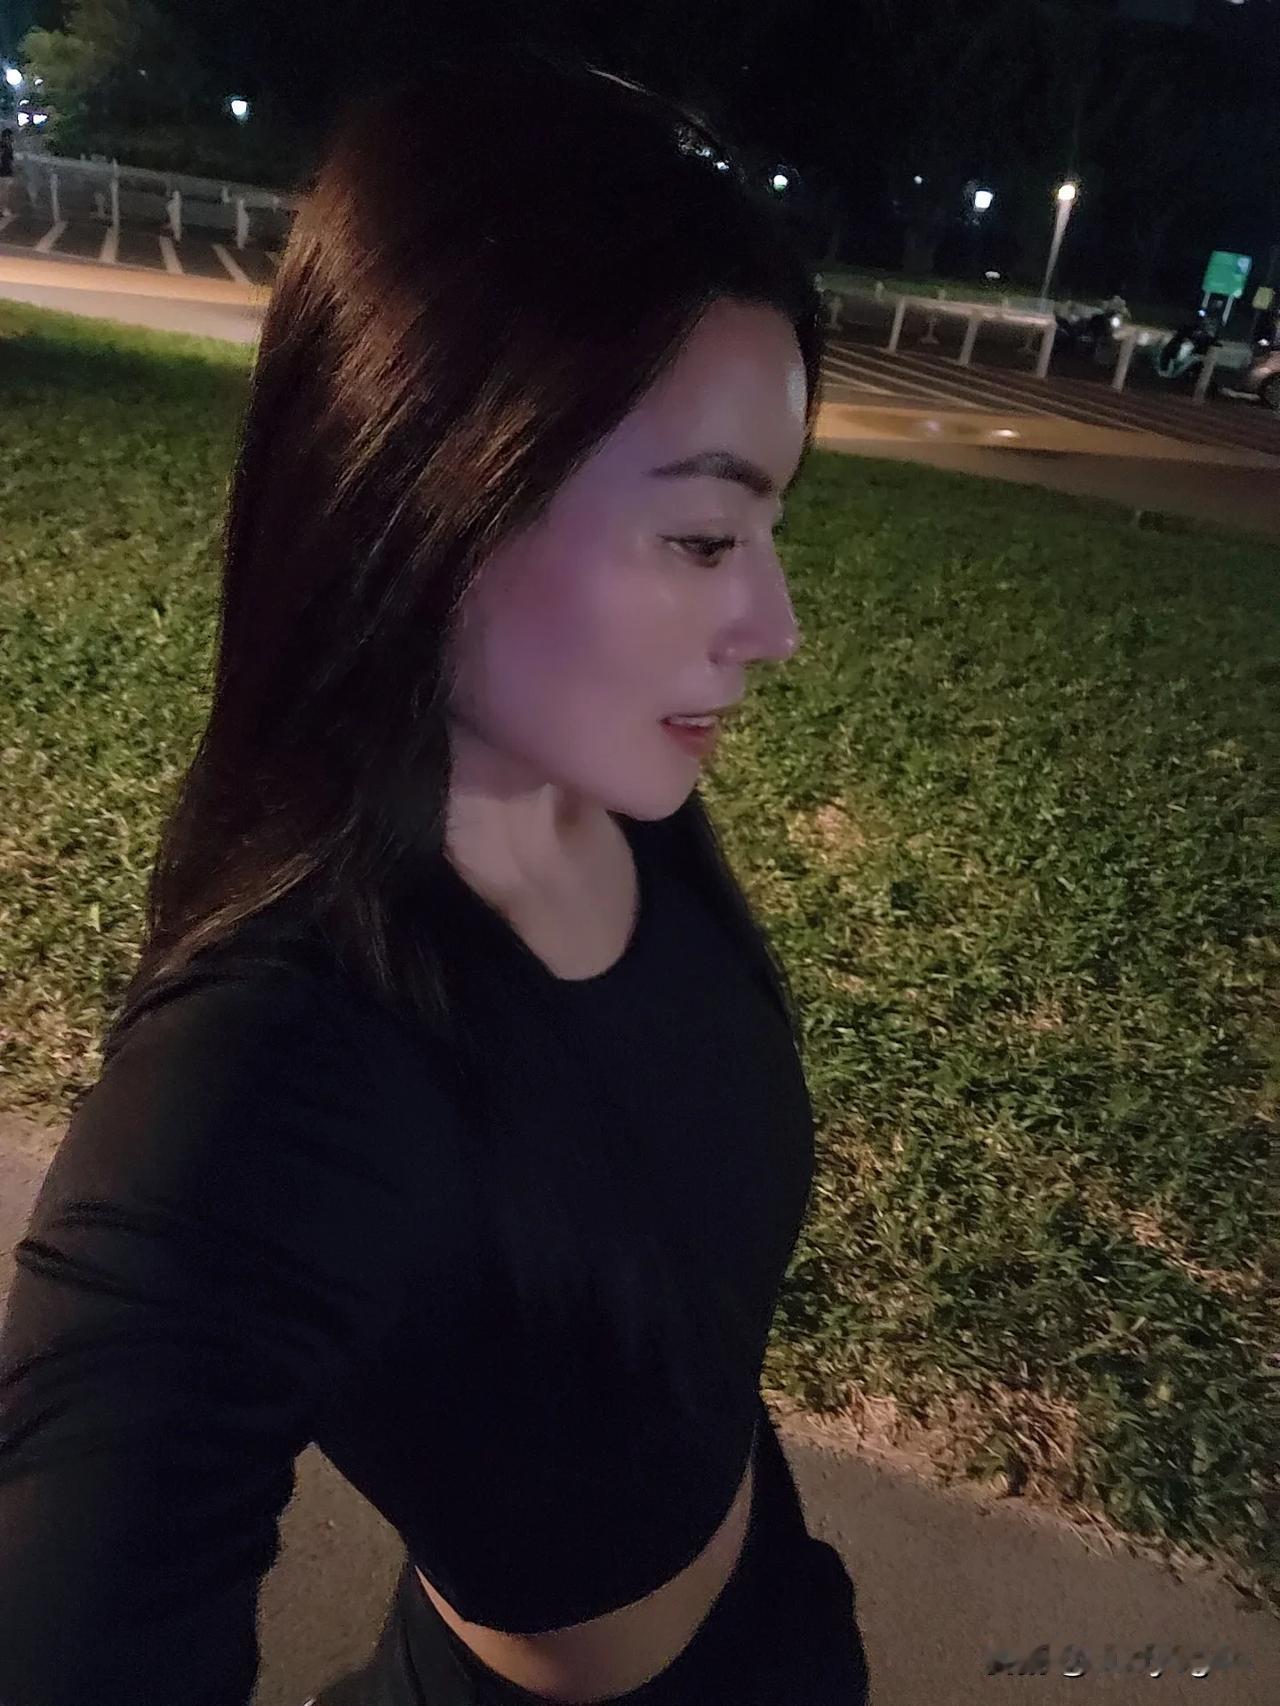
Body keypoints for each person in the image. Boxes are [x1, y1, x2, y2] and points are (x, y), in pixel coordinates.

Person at [0, 44, 873, 1706]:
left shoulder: (611, 801)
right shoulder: (276, 1069)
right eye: (705, 537)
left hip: (781, 1607)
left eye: (772, 531)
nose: (773, 626)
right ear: (437, 495)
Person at [0, 127, 14, 216]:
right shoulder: (4, 147)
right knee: (4, 192)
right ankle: (3, 209)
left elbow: (11, 160)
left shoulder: (8, 147)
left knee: (5, 192)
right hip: (4, 173)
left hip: (6, 172)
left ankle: (3, 208)